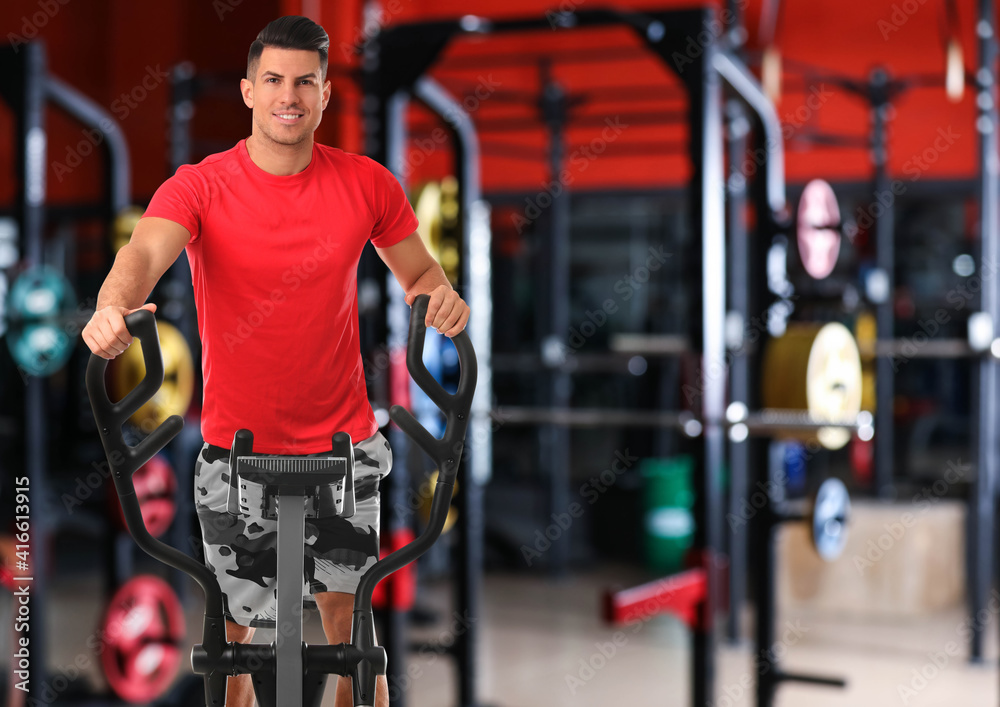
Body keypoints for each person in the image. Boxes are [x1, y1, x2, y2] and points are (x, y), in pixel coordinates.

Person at [82, 15, 468, 707]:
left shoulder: (367, 184)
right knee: (235, 647)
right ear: (248, 91)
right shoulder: (198, 186)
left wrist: (441, 299)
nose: (289, 95)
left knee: (356, 642)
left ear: (323, 96)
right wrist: (113, 306)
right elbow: (139, 256)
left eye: (305, 82)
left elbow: (421, 275)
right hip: (237, 452)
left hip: (344, 447)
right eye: (274, 80)